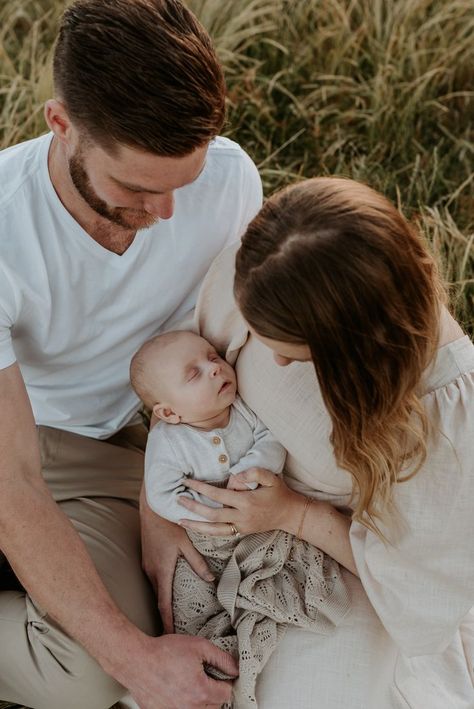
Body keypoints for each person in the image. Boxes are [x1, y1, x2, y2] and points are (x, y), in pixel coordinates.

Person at [0, 0, 263, 707]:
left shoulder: (230, 182)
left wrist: (158, 505)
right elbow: (13, 480)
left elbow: (228, 345)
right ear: (62, 124)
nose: (166, 213)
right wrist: (139, 662)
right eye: (137, 188)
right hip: (21, 441)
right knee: (97, 669)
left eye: (182, 180)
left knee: (112, 653)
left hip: (128, 443)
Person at [165, 176, 474, 708]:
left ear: (353, 347)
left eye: (296, 351)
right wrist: (158, 522)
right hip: (211, 513)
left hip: (341, 562)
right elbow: (183, 378)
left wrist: (293, 514)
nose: (276, 361)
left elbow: (414, 580)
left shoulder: (444, 418)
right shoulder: (266, 269)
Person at [129, 329, 350, 706]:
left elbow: (271, 440)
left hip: (257, 526)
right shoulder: (168, 440)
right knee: (190, 593)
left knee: (279, 567)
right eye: (194, 373)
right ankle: (206, 662)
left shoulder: (243, 411)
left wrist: (252, 470)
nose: (214, 369)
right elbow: (160, 493)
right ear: (169, 411)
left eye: (213, 358)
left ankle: (255, 629)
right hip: (202, 538)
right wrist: (199, 511)